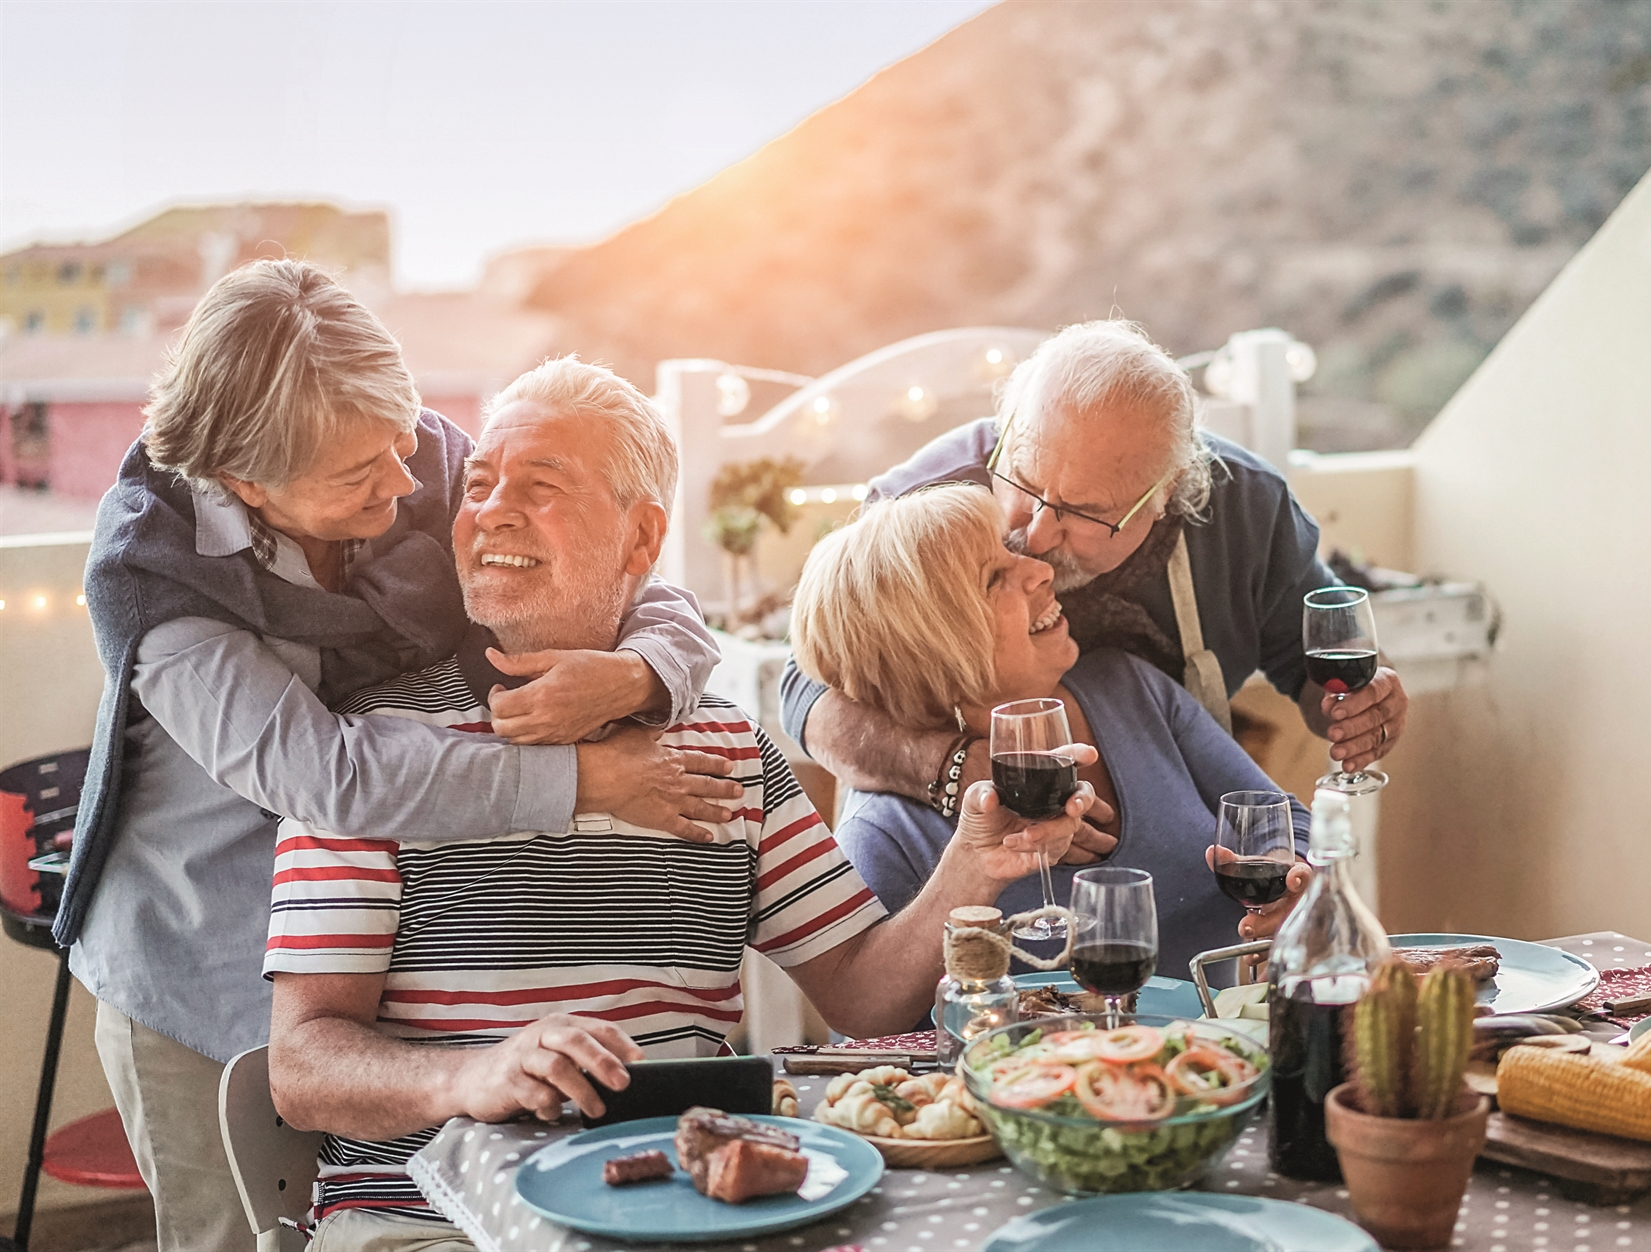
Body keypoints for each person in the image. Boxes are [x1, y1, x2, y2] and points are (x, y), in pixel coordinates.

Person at [264, 358, 1090, 1249]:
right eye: (479, 484)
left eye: (541, 486)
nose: (492, 510)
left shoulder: (729, 745)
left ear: (641, 538)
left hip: (687, 1205)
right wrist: (471, 1077)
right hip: (429, 1220)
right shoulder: (367, 753)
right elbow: (302, 1066)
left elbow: (862, 994)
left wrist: (973, 864)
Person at [59, 262, 737, 1252]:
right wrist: (583, 781)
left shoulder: (405, 450)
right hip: (198, 948)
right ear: (246, 482)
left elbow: (629, 574)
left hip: (363, 953)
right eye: (357, 475)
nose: (407, 482)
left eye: (400, 440)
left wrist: (640, 674)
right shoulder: (151, 574)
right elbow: (329, 778)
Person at [779, 319, 1408, 859]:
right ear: (1008, 428)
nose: (1037, 535)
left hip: (1173, 839)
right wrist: (954, 770)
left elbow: (1317, 661)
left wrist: (1358, 711)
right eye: (1023, 482)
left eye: (1085, 512)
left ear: (1168, 491)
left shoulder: (1248, 508)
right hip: (953, 842)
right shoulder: (922, 506)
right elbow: (807, 689)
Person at [791, 483, 1314, 985]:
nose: (1042, 570)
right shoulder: (885, 829)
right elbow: (870, 1028)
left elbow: (1280, 821)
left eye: (1012, 551)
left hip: (1211, 1045)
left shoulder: (1131, 689)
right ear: (932, 645)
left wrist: (1294, 881)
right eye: (995, 578)